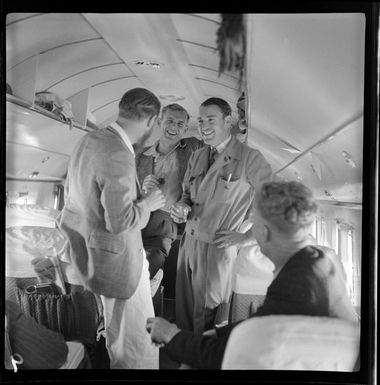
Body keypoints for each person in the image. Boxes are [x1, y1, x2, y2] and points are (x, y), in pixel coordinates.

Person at [146, 181, 359, 369]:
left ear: (263, 232)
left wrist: (171, 336)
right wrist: (219, 333)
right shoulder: (315, 262)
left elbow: (222, 356)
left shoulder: (297, 283)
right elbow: (263, 323)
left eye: (253, 223)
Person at [58, 88, 166, 369]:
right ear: (151, 120)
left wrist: (138, 197)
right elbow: (120, 222)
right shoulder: (119, 153)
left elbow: (81, 199)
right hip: (117, 263)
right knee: (136, 346)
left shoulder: (88, 140)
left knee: (117, 335)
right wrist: (150, 204)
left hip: (92, 255)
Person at [170, 97, 273, 332]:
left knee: (208, 315)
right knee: (184, 312)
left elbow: (274, 204)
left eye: (210, 119)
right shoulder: (197, 155)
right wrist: (181, 208)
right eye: (200, 120)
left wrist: (246, 238)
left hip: (217, 246)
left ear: (228, 121)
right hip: (188, 243)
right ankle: (186, 358)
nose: (203, 125)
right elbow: (187, 194)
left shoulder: (250, 158)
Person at [136, 103, 203, 280]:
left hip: (165, 225)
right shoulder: (141, 155)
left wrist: (242, 128)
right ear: (159, 121)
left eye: (180, 124)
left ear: (186, 129)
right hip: (137, 217)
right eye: (170, 121)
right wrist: (143, 191)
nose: (174, 127)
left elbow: (221, 145)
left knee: (147, 269)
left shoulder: (193, 148)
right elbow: (127, 191)